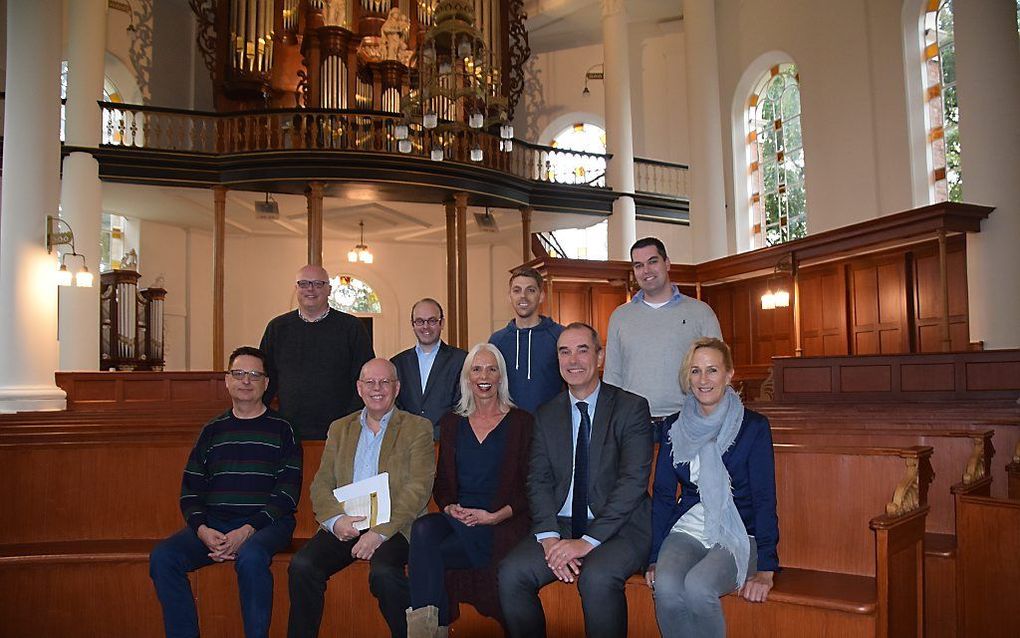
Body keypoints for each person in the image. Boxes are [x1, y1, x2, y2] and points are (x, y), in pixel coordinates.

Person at [498, 322, 653, 638]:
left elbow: (633, 482)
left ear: (600, 357)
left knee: (595, 577)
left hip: (620, 527)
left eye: (583, 350)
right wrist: (550, 538)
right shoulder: (546, 413)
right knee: (511, 573)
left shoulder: (631, 407)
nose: (573, 360)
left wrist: (586, 542)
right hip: (563, 523)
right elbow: (538, 480)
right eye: (564, 352)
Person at [149, 346, 302, 638]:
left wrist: (246, 531)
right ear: (227, 380)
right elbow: (190, 491)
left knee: (252, 557)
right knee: (163, 558)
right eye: (239, 374)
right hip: (215, 525)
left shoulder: (283, 430)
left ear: (266, 384)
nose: (246, 381)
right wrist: (202, 529)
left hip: (267, 524)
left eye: (255, 375)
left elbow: (286, 495)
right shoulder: (212, 431)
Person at [287, 358, 435, 638]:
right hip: (347, 523)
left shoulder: (417, 427)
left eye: (385, 382)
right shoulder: (340, 428)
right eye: (370, 382)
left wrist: (379, 534)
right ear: (359, 388)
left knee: (384, 573)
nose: (377, 389)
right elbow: (321, 484)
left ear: (397, 387)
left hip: (395, 527)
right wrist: (334, 521)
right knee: (302, 567)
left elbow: (418, 488)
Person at [646, 337, 779, 638]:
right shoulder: (674, 426)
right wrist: (654, 557)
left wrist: (766, 569)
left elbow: (763, 497)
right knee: (665, 587)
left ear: (729, 374)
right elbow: (665, 496)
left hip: (739, 532)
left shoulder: (753, 427)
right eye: (695, 371)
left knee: (698, 587)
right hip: (689, 528)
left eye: (712, 370)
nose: (703, 380)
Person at [406, 343, 533, 636]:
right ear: (467, 378)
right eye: (476, 369)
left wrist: (496, 516)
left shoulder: (522, 422)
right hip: (459, 519)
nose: (483, 375)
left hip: (500, 522)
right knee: (423, 528)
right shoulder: (453, 422)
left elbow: (531, 485)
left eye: (491, 369)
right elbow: (444, 484)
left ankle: (428, 631)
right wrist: (449, 505)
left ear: (501, 377)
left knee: (427, 555)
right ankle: (428, 632)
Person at [604, 237, 721, 439]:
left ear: (667, 263)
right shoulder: (620, 316)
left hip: (688, 421)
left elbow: (718, 368)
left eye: (652, 261)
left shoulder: (700, 312)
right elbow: (613, 376)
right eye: (638, 265)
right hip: (634, 424)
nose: (646, 270)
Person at [260, 264, 375, 440]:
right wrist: (264, 418)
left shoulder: (351, 327)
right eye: (304, 283)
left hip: (340, 431)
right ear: (296, 288)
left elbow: (365, 378)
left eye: (318, 284)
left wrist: (348, 423)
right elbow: (265, 378)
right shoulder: (277, 328)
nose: (310, 289)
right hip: (288, 428)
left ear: (329, 289)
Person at [489, 267, 564, 414]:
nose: (523, 296)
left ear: (541, 296)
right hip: (509, 426)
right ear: (509, 296)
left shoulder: (560, 335)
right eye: (517, 290)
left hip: (550, 427)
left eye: (530, 290)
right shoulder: (497, 341)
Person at [391, 298, 468, 440]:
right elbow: (394, 404)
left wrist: (435, 433)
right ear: (413, 325)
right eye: (419, 321)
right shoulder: (397, 363)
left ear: (442, 323)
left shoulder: (462, 360)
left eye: (432, 320)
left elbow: (463, 405)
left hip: (447, 442)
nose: (425, 327)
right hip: (407, 443)